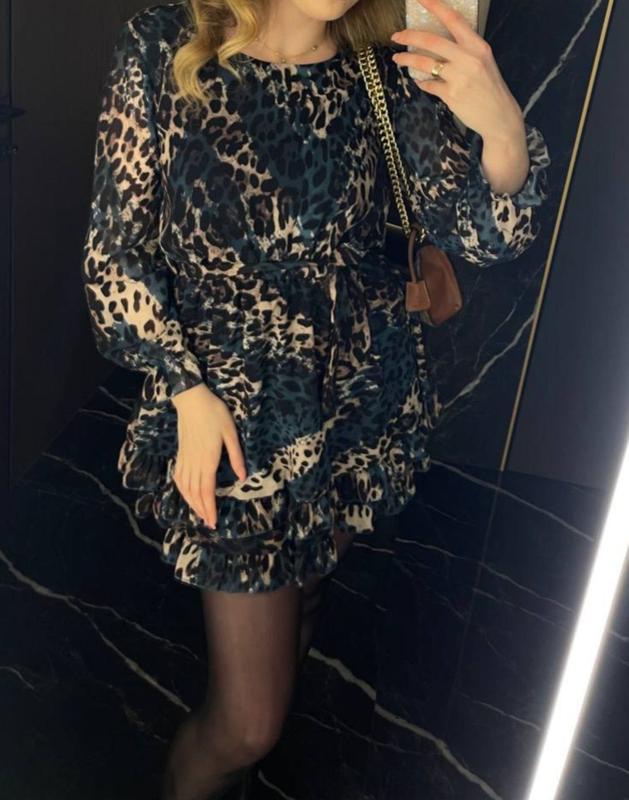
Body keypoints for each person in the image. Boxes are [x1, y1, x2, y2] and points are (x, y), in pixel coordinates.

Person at [80, 0, 551, 797]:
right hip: (234, 421)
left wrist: (501, 126)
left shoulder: (380, 65)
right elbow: (114, 256)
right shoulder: (168, 42)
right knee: (247, 723)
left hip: (353, 406)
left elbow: (482, 236)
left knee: (304, 601)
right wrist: (185, 389)